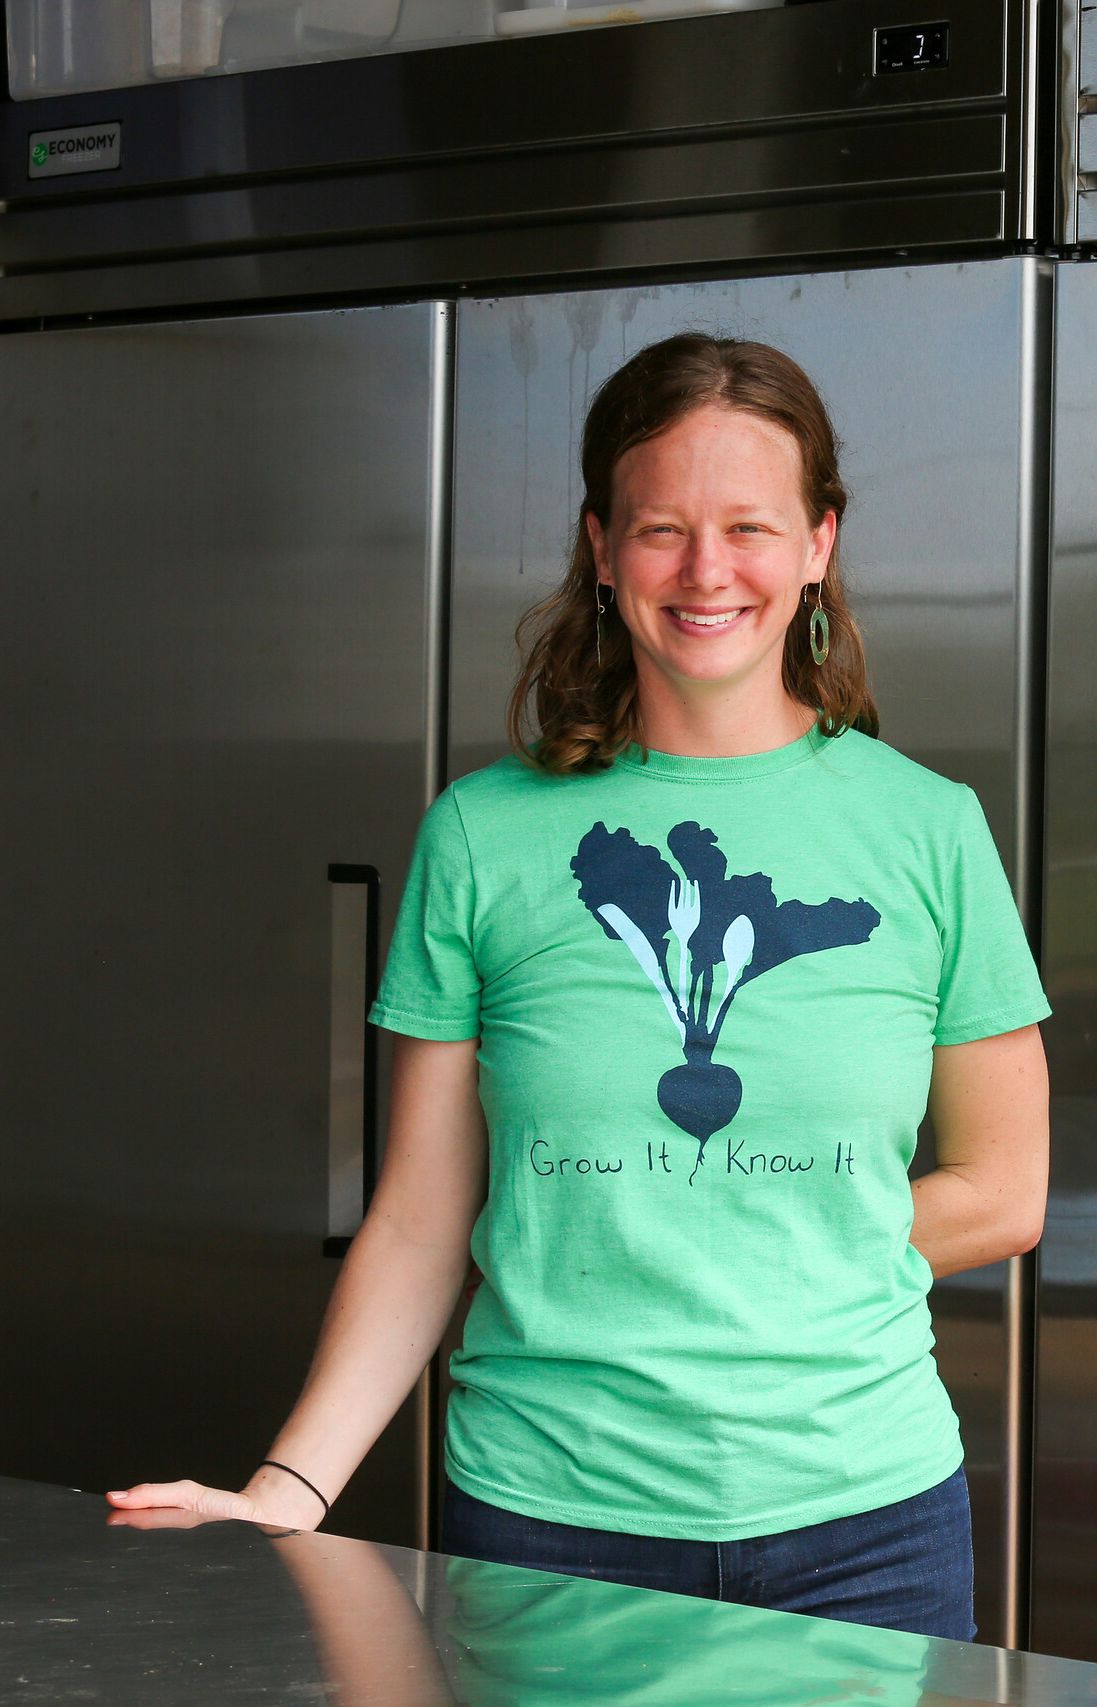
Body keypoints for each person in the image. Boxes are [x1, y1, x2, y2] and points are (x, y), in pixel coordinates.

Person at [108, 334, 1050, 1641]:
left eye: (749, 527)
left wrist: (747, 1252)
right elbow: (425, 1218)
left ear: (819, 542)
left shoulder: (930, 831)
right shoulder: (482, 836)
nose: (706, 571)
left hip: (867, 1532)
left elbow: (1001, 1193)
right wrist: (289, 1489)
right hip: (550, 1530)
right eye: (661, 528)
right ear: (600, 549)